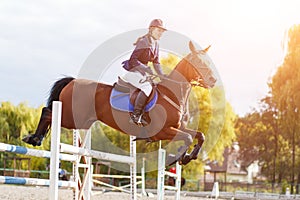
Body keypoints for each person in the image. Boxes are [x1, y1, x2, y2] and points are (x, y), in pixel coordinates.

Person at [121, 19, 167, 126]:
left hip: (142, 73)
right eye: (159, 31)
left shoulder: (156, 45)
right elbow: (133, 60)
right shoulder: (143, 42)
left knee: (155, 87)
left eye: (162, 31)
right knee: (147, 88)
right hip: (133, 72)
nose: (161, 34)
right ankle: (135, 115)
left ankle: (145, 115)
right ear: (152, 30)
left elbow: (156, 63)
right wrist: (145, 68)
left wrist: (163, 76)